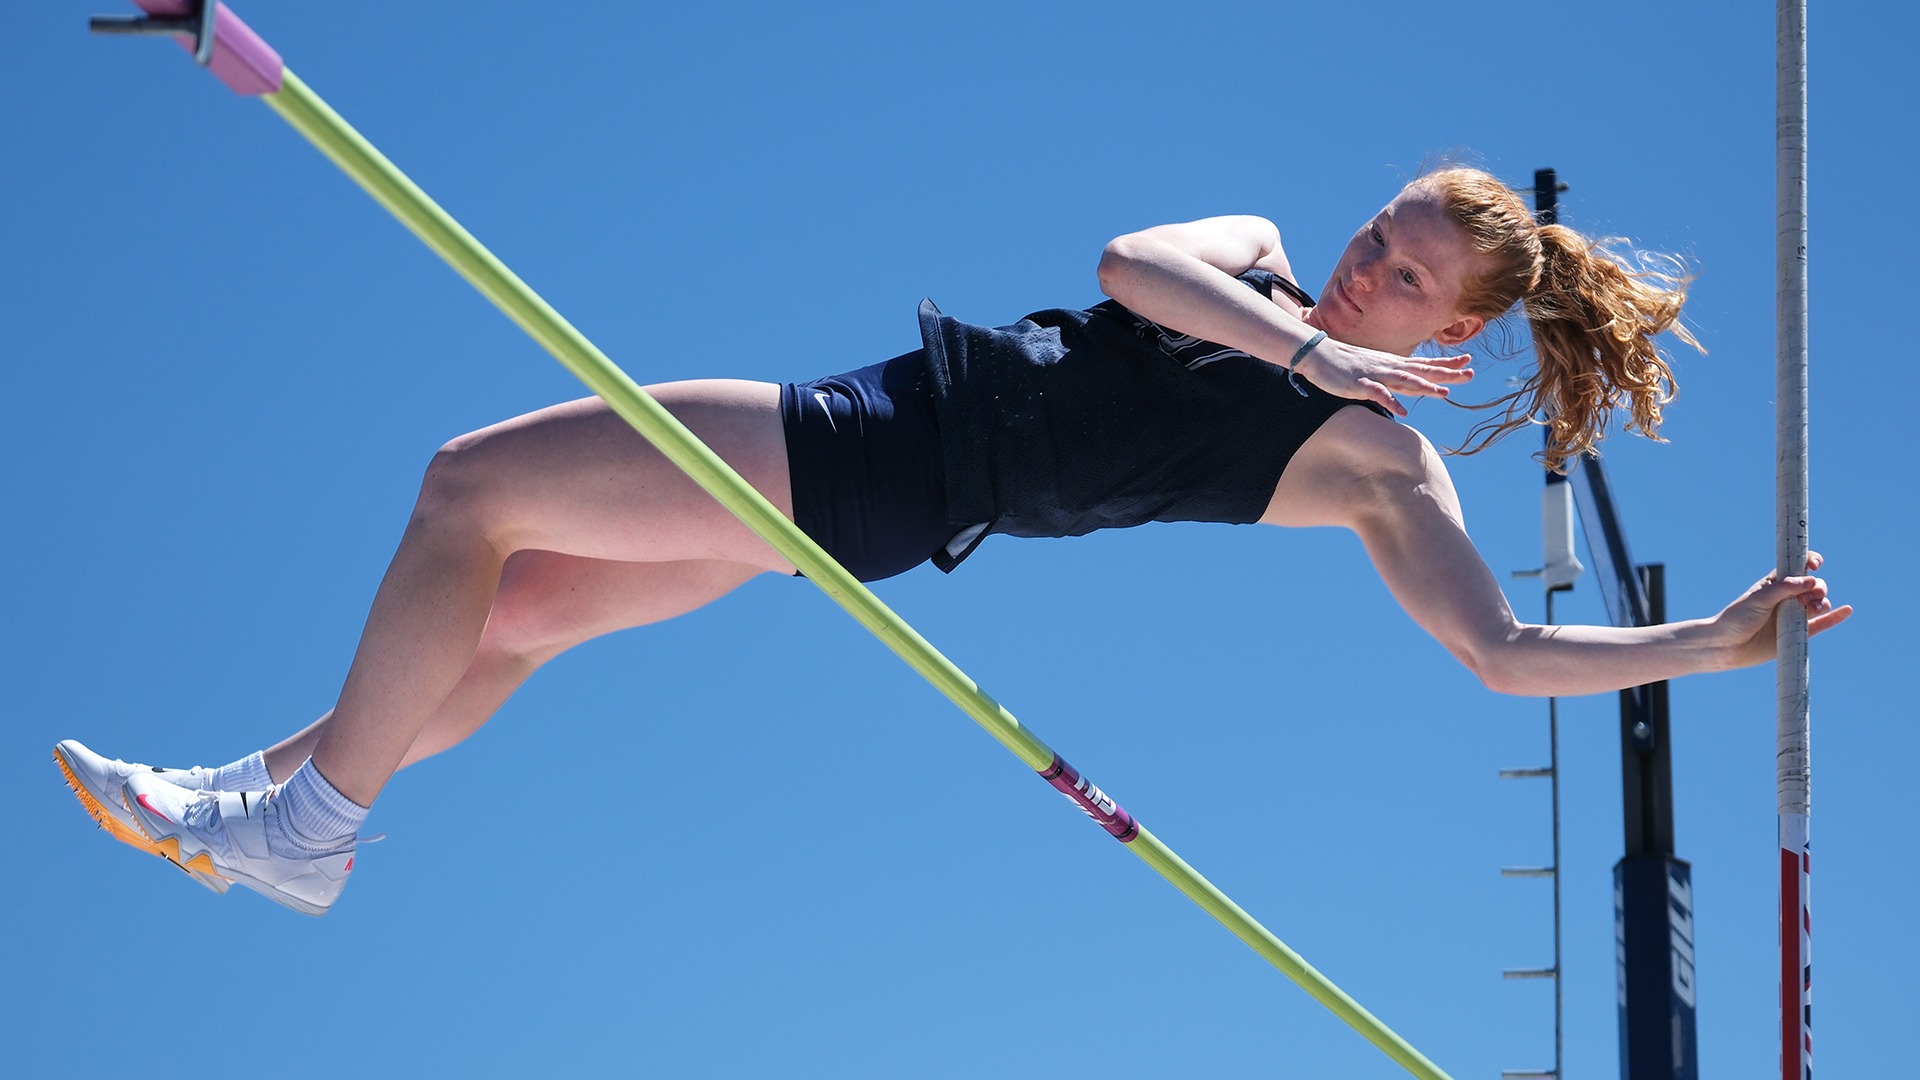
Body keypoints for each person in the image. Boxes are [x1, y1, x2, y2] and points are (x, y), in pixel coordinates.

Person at [54, 166, 1849, 915]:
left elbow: (1497, 656)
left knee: (467, 485)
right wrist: (1301, 324)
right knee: (512, 603)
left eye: (1403, 278)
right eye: (1379, 232)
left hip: (888, 463)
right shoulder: (1261, 261)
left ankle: (313, 827)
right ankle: (253, 804)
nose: (1366, 268)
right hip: (882, 464)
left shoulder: (1382, 472)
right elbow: (1124, 269)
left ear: (1448, 333)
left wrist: (1704, 648)